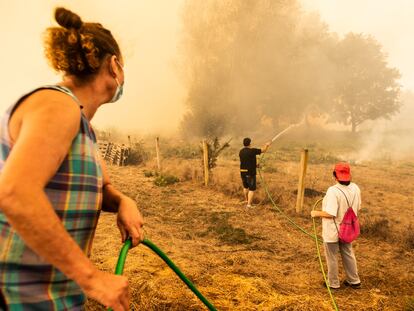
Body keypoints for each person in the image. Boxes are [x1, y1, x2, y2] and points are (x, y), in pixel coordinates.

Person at [0, 7, 144, 311]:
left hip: (51, 297)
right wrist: (93, 279)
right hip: (16, 297)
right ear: (114, 65)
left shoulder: (83, 126)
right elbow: (15, 192)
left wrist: (122, 202)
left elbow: (98, 187)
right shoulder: (57, 104)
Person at [311, 162, 362, 289]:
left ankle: (333, 283)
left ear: (335, 175)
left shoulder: (333, 191)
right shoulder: (355, 188)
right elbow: (358, 207)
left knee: (332, 256)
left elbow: (330, 213)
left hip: (333, 231)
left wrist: (315, 213)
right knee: (348, 253)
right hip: (348, 230)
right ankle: (354, 281)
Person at [239, 137, 270, 208]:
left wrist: (255, 165)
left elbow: (246, 161)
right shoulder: (252, 151)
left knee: (245, 187)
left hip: (242, 171)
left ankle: (246, 200)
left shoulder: (241, 151)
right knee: (252, 189)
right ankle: (249, 205)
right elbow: (264, 150)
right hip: (250, 173)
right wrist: (267, 145)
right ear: (250, 143)